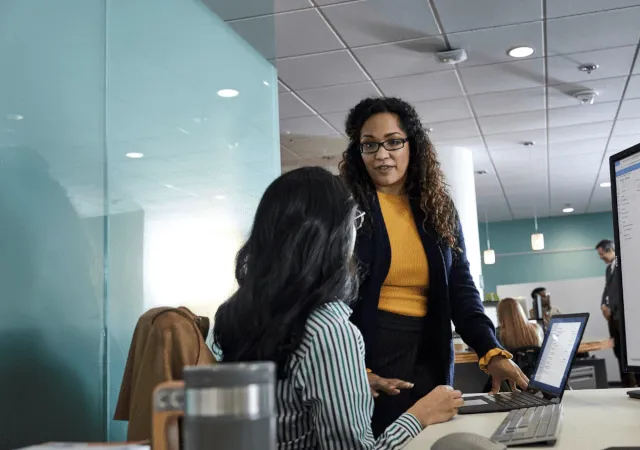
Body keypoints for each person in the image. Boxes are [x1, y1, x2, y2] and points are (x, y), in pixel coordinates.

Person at [212, 167, 463, 450]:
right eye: (355, 220)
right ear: (334, 236)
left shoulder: (243, 316)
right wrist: (420, 415)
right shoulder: (329, 331)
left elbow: (285, 407)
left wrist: (348, 386)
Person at [339, 97, 528, 436]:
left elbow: (461, 289)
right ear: (358, 151)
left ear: (413, 144)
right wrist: (352, 369)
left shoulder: (437, 208)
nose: (382, 155)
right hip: (366, 354)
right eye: (370, 145)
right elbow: (329, 297)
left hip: (429, 349)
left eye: (394, 142)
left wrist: (490, 350)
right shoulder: (346, 208)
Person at [596, 239, 640, 388]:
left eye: (602, 254)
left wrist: (613, 307)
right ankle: (628, 385)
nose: (600, 257)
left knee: (630, 351)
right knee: (618, 351)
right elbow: (607, 289)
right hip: (612, 317)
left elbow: (627, 289)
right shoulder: (608, 269)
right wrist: (603, 305)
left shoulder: (623, 264)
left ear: (611, 250)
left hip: (624, 316)